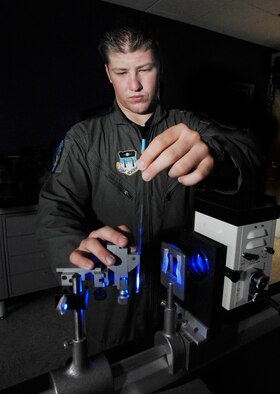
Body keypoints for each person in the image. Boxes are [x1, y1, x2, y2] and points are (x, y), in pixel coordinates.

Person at [36, 24, 263, 356]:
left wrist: (215, 155)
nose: (135, 85)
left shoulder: (188, 125)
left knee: (179, 365)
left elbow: (249, 151)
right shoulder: (84, 137)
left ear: (160, 68)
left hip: (181, 291)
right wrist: (75, 247)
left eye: (145, 69)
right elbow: (54, 210)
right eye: (122, 71)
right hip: (112, 294)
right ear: (107, 74)